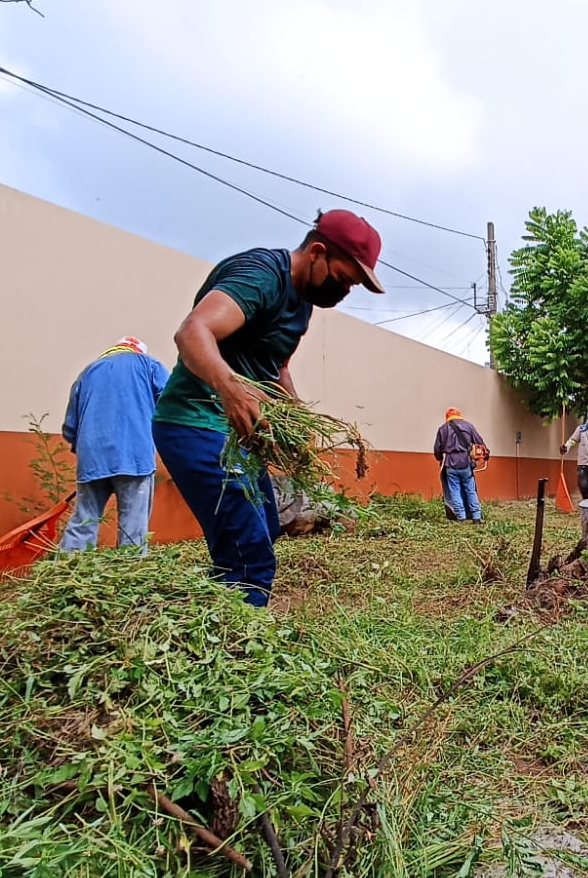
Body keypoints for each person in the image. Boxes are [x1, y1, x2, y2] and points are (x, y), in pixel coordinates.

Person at [152, 210, 385, 607]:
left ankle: (205, 615)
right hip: (198, 424)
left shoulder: (304, 301)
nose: (346, 291)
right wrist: (233, 391)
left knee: (266, 528)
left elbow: (275, 366)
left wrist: (295, 415)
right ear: (317, 251)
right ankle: (238, 650)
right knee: (249, 557)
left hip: (237, 436)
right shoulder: (260, 275)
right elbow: (193, 332)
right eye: (344, 278)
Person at [58, 337, 171, 552]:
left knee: (84, 518)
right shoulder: (149, 365)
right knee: (133, 524)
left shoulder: (87, 373)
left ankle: (69, 567)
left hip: (92, 459)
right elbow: (171, 401)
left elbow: (70, 426)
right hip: (134, 455)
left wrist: (82, 448)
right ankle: (130, 573)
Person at [434, 407, 488, 522]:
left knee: (454, 490)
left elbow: (437, 449)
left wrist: (439, 458)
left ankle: (461, 517)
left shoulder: (442, 429)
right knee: (470, 490)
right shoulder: (468, 426)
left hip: (450, 464)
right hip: (466, 463)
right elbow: (480, 442)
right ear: (459, 416)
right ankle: (476, 517)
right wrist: (486, 454)